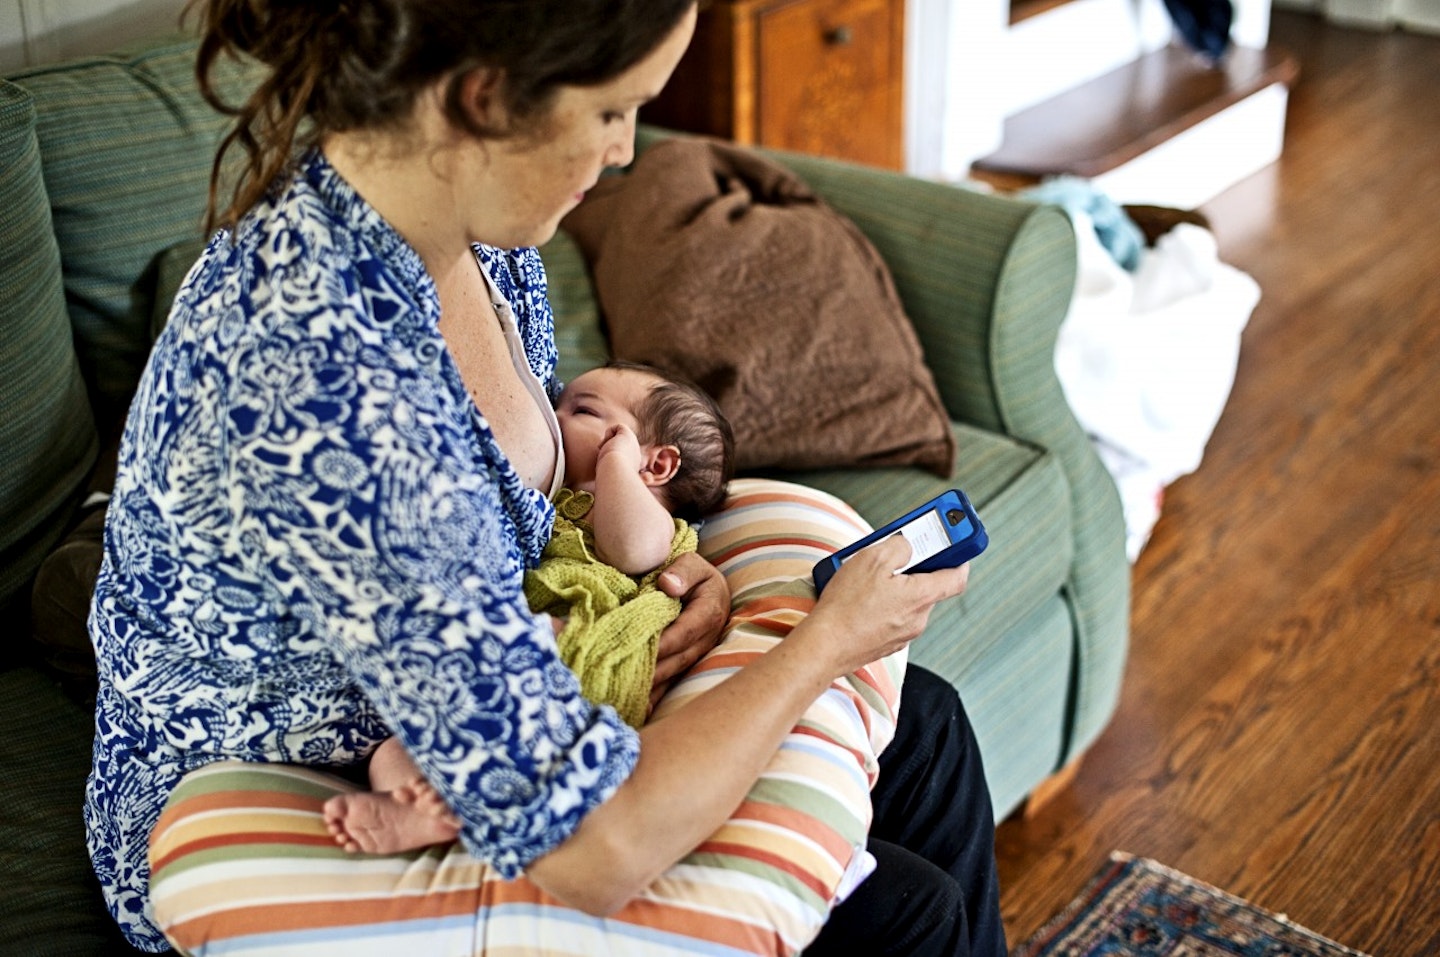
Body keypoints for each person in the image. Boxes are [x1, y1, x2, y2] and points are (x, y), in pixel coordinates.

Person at [84, 2, 1005, 955]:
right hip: (308, 786)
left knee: (928, 728)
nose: (624, 151)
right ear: (485, 101)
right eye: (614, 111)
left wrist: (677, 572)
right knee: (910, 913)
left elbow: (530, 485)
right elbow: (595, 848)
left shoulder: (477, 241)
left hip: (454, 689)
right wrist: (823, 641)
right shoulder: (330, 387)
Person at [321, 360, 736, 854]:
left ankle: (457, 801)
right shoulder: (553, 500)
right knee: (392, 752)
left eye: (581, 409)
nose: (552, 417)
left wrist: (615, 466)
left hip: (570, 655)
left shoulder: (651, 522)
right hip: (501, 674)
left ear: (656, 465)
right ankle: (425, 807)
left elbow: (633, 551)